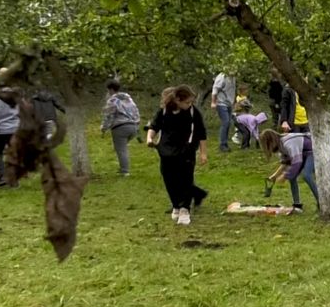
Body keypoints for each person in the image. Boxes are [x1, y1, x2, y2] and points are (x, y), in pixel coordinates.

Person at [146, 85, 208, 225]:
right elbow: (154, 126)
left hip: (186, 151)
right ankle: (176, 205)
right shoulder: (164, 111)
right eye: (187, 102)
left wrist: (203, 153)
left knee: (185, 180)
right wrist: (150, 138)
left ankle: (185, 209)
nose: (190, 105)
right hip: (166, 152)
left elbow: (202, 133)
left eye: (191, 102)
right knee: (170, 180)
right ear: (178, 100)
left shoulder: (193, 113)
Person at [259, 129, 318, 213]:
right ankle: (297, 205)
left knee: (306, 175)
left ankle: (321, 202)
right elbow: (285, 163)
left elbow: (297, 162)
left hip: (312, 151)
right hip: (303, 153)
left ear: (271, 141)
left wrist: (285, 176)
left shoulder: (288, 143)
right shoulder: (281, 145)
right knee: (292, 177)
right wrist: (274, 176)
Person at [99, 79, 141, 176]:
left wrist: (104, 127)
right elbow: (136, 110)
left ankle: (125, 171)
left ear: (110, 89)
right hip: (133, 127)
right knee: (122, 147)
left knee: (121, 150)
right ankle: (123, 167)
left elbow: (109, 116)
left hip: (120, 128)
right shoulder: (128, 99)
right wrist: (136, 122)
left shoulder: (112, 101)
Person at [211, 71, 237, 152]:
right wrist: (213, 102)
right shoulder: (222, 77)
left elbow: (232, 91)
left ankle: (225, 143)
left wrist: (233, 102)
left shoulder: (233, 77)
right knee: (225, 122)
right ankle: (222, 144)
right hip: (221, 103)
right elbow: (215, 89)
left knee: (229, 123)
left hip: (229, 103)